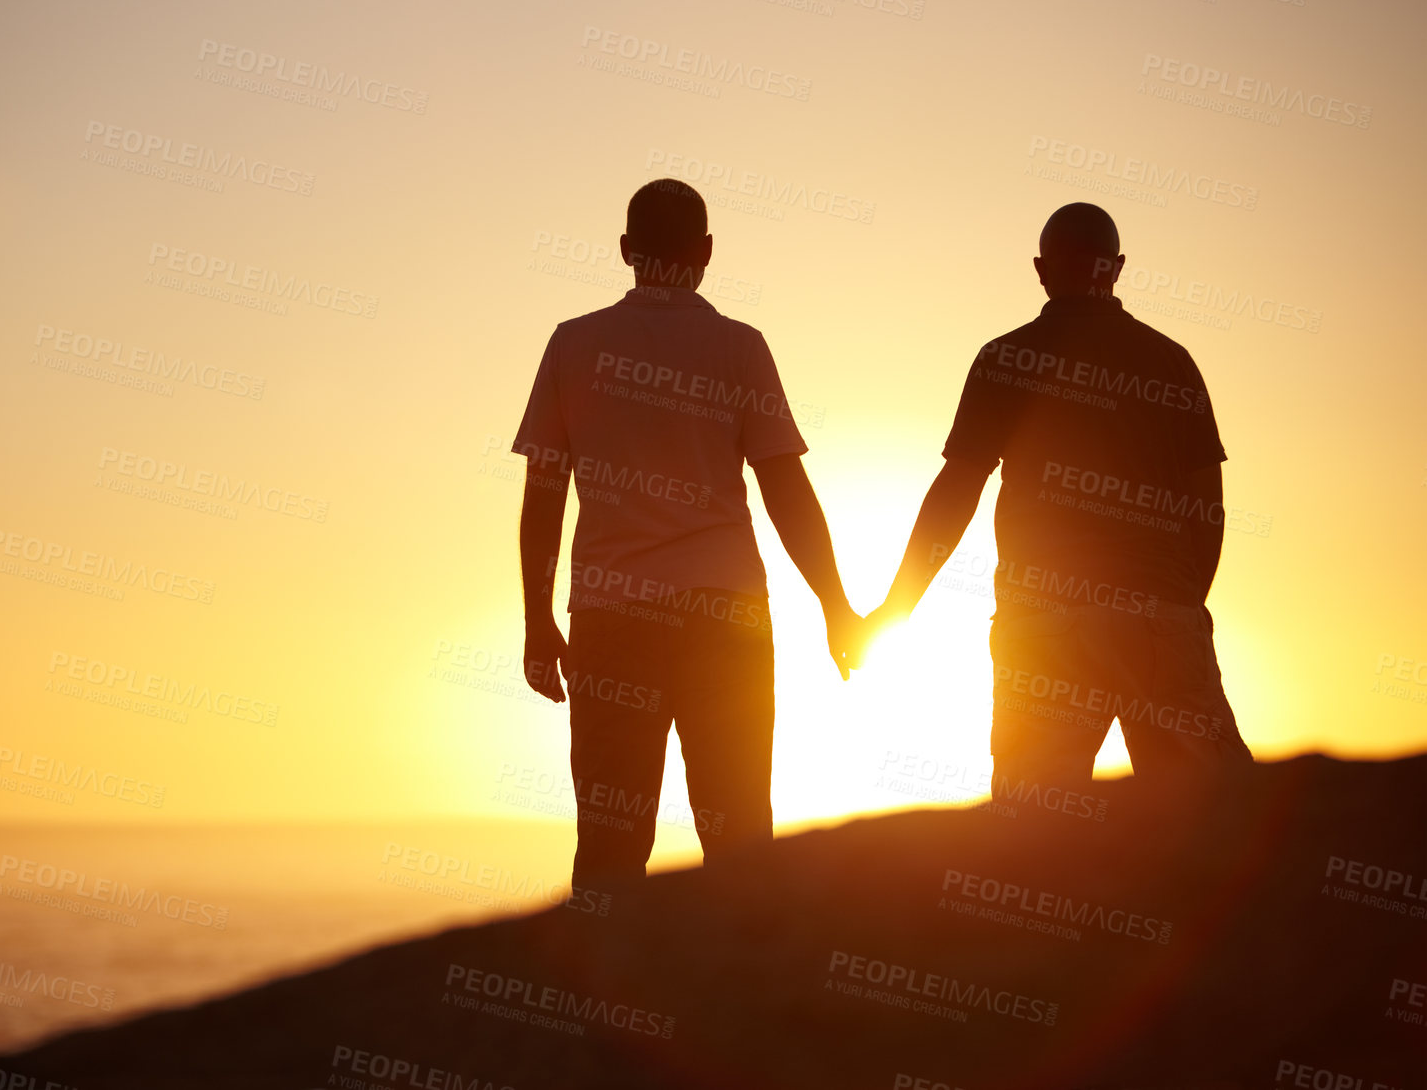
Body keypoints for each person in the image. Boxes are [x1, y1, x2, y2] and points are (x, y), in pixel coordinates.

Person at [513, 179, 862, 892]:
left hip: (613, 619)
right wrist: (835, 603)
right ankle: (742, 996)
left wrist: (537, 618)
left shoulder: (573, 344)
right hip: (725, 618)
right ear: (706, 252)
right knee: (738, 834)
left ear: (624, 251)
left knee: (610, 842)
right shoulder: (739, 348)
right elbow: (784, 489)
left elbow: (545, 492)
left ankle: (600, 1000)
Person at [859, 202, 1251, 797]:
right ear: (1116, 268)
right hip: (1158, 615)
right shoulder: (1171, 362)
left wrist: (896, 608)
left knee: (1033, 832)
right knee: (1207, 818)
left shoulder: (1006, 359)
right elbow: (1209, 505)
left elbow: (956, 493)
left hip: (1045, 624)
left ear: (1042, 270)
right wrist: (1180, 606)